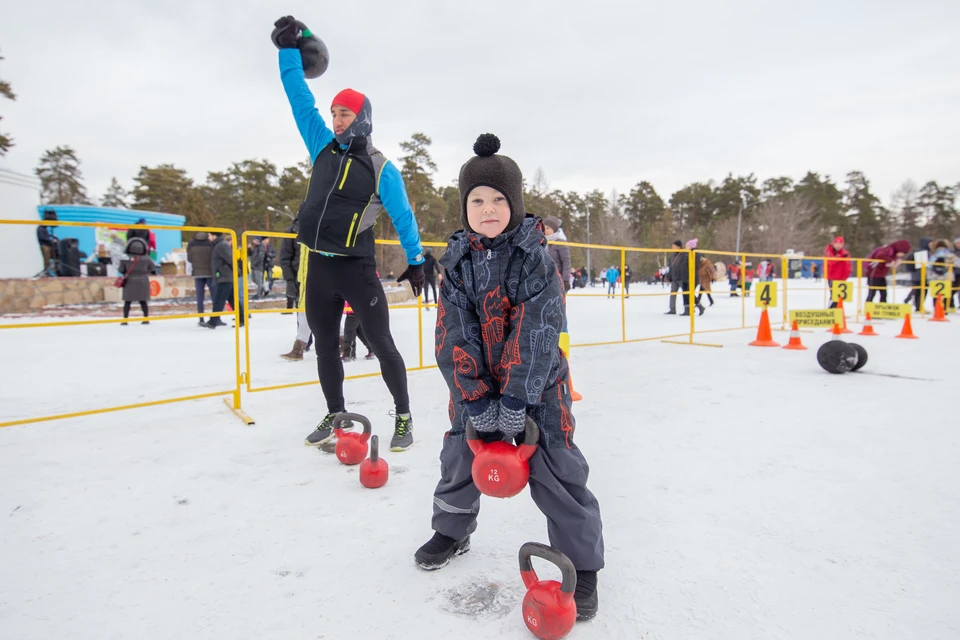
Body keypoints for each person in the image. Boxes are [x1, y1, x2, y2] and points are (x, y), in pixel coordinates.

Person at [415, 134, 603, 622]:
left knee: (559, 468)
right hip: (476, 388)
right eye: (477, 200)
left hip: (538, 389)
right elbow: (453, 332)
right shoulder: (456, 264)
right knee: (459, 454)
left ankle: (582, 567)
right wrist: (475, 397)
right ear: (465, 208)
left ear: (515, 204)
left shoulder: (535, 258)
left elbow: (539, 330)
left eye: (499, 199)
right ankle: (452, 530)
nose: (488, 208)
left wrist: (517, 400)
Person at [273, 16, 425, 452]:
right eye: (336, 112)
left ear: (362, 118)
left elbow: (405, 217)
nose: (338, 120)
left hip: (357, 269)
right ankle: (334, 411)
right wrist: (288, 51)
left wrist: (415, 261)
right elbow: (299, 98)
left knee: (382, 343)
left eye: (346, 113)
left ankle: (403, 417)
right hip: (318, 265)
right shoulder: (321, 144)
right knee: (325, 347)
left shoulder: (381, 168)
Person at [279, 213, 314, 359]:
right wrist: (290, 280)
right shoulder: (293, 231)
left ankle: (343, 341)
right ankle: (301, 346)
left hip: (318, 275)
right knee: (304, 311)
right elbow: (285, 258)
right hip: (301, 277)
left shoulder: (320, 226)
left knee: (323, 312)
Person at [208, 233, 244, 328]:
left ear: (214, 236)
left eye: (209, 236)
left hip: (225, 276)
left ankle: (213, 322)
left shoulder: (221, 245)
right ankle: (242, 319)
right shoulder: (220, 245)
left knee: (219, 299)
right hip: (225, 276)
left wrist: (237, 271)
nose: (208, 238)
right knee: (232, 299)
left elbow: (231, 259)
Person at [118, 237, 155, 325]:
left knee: (127, 301)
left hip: (129, 281)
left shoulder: (125, 258)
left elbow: (121, 270)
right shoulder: (147, 258)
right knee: (143, 301)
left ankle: (125, 319)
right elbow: (153, 268)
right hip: (143, 281)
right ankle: (146, 318)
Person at [187, 231, 216, 327]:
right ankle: (215, 317)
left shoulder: (191, 243)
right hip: (210, 272)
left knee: (200, 297)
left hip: (197, 272)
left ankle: (201, 318)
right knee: (213, 296)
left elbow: (189, 259)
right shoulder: (210, 243)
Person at [903, 238, 931, 312]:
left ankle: (914, 303)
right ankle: (918, 306)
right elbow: (922, 265)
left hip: (916, 275)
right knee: (921, 291)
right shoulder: (922, 252)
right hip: (920, 276)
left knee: (917, 290)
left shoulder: (918, 251)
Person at [824, 236, 852, 309]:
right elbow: (830, 262)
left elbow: (848, 265)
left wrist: (846, 275)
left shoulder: (846, 253)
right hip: (832, 276)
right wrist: (840, 257)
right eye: (836, 243)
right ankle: (831, 311)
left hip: (842, 277)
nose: (838, 245)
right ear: (833, 243)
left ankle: (838, 311)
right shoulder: (829, 251)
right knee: (834, 296)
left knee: (840, 297)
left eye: (840, 243)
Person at [679, 239, 705, 316]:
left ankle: (700, 306)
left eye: (687, 245)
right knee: (685, 293)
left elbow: (695, 266)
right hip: (685, 277)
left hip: (692, 277)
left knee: (690, 294)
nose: (685, 247)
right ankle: (687, 309)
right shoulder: (686, 254)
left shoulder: (695, 254)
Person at [36, 209, 59, 277]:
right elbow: (43, 238)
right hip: (45, 245)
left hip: (51, 245)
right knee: (47, 257)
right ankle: (46, 271)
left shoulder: (49, 228)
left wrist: (54, 239)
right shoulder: (41, 228)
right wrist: (51, 240)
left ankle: (56, 269)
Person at [665, 240, 684, 312]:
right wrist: (668, 276)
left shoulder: (684, 255)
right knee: (673, 293)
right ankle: (672, 308)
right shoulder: (672, 256)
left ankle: (689, 308)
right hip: (674, 278)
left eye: (674, 246)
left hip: (682, 278)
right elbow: (670, 267)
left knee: (686, 293)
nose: (672, 248)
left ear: (678, 247)